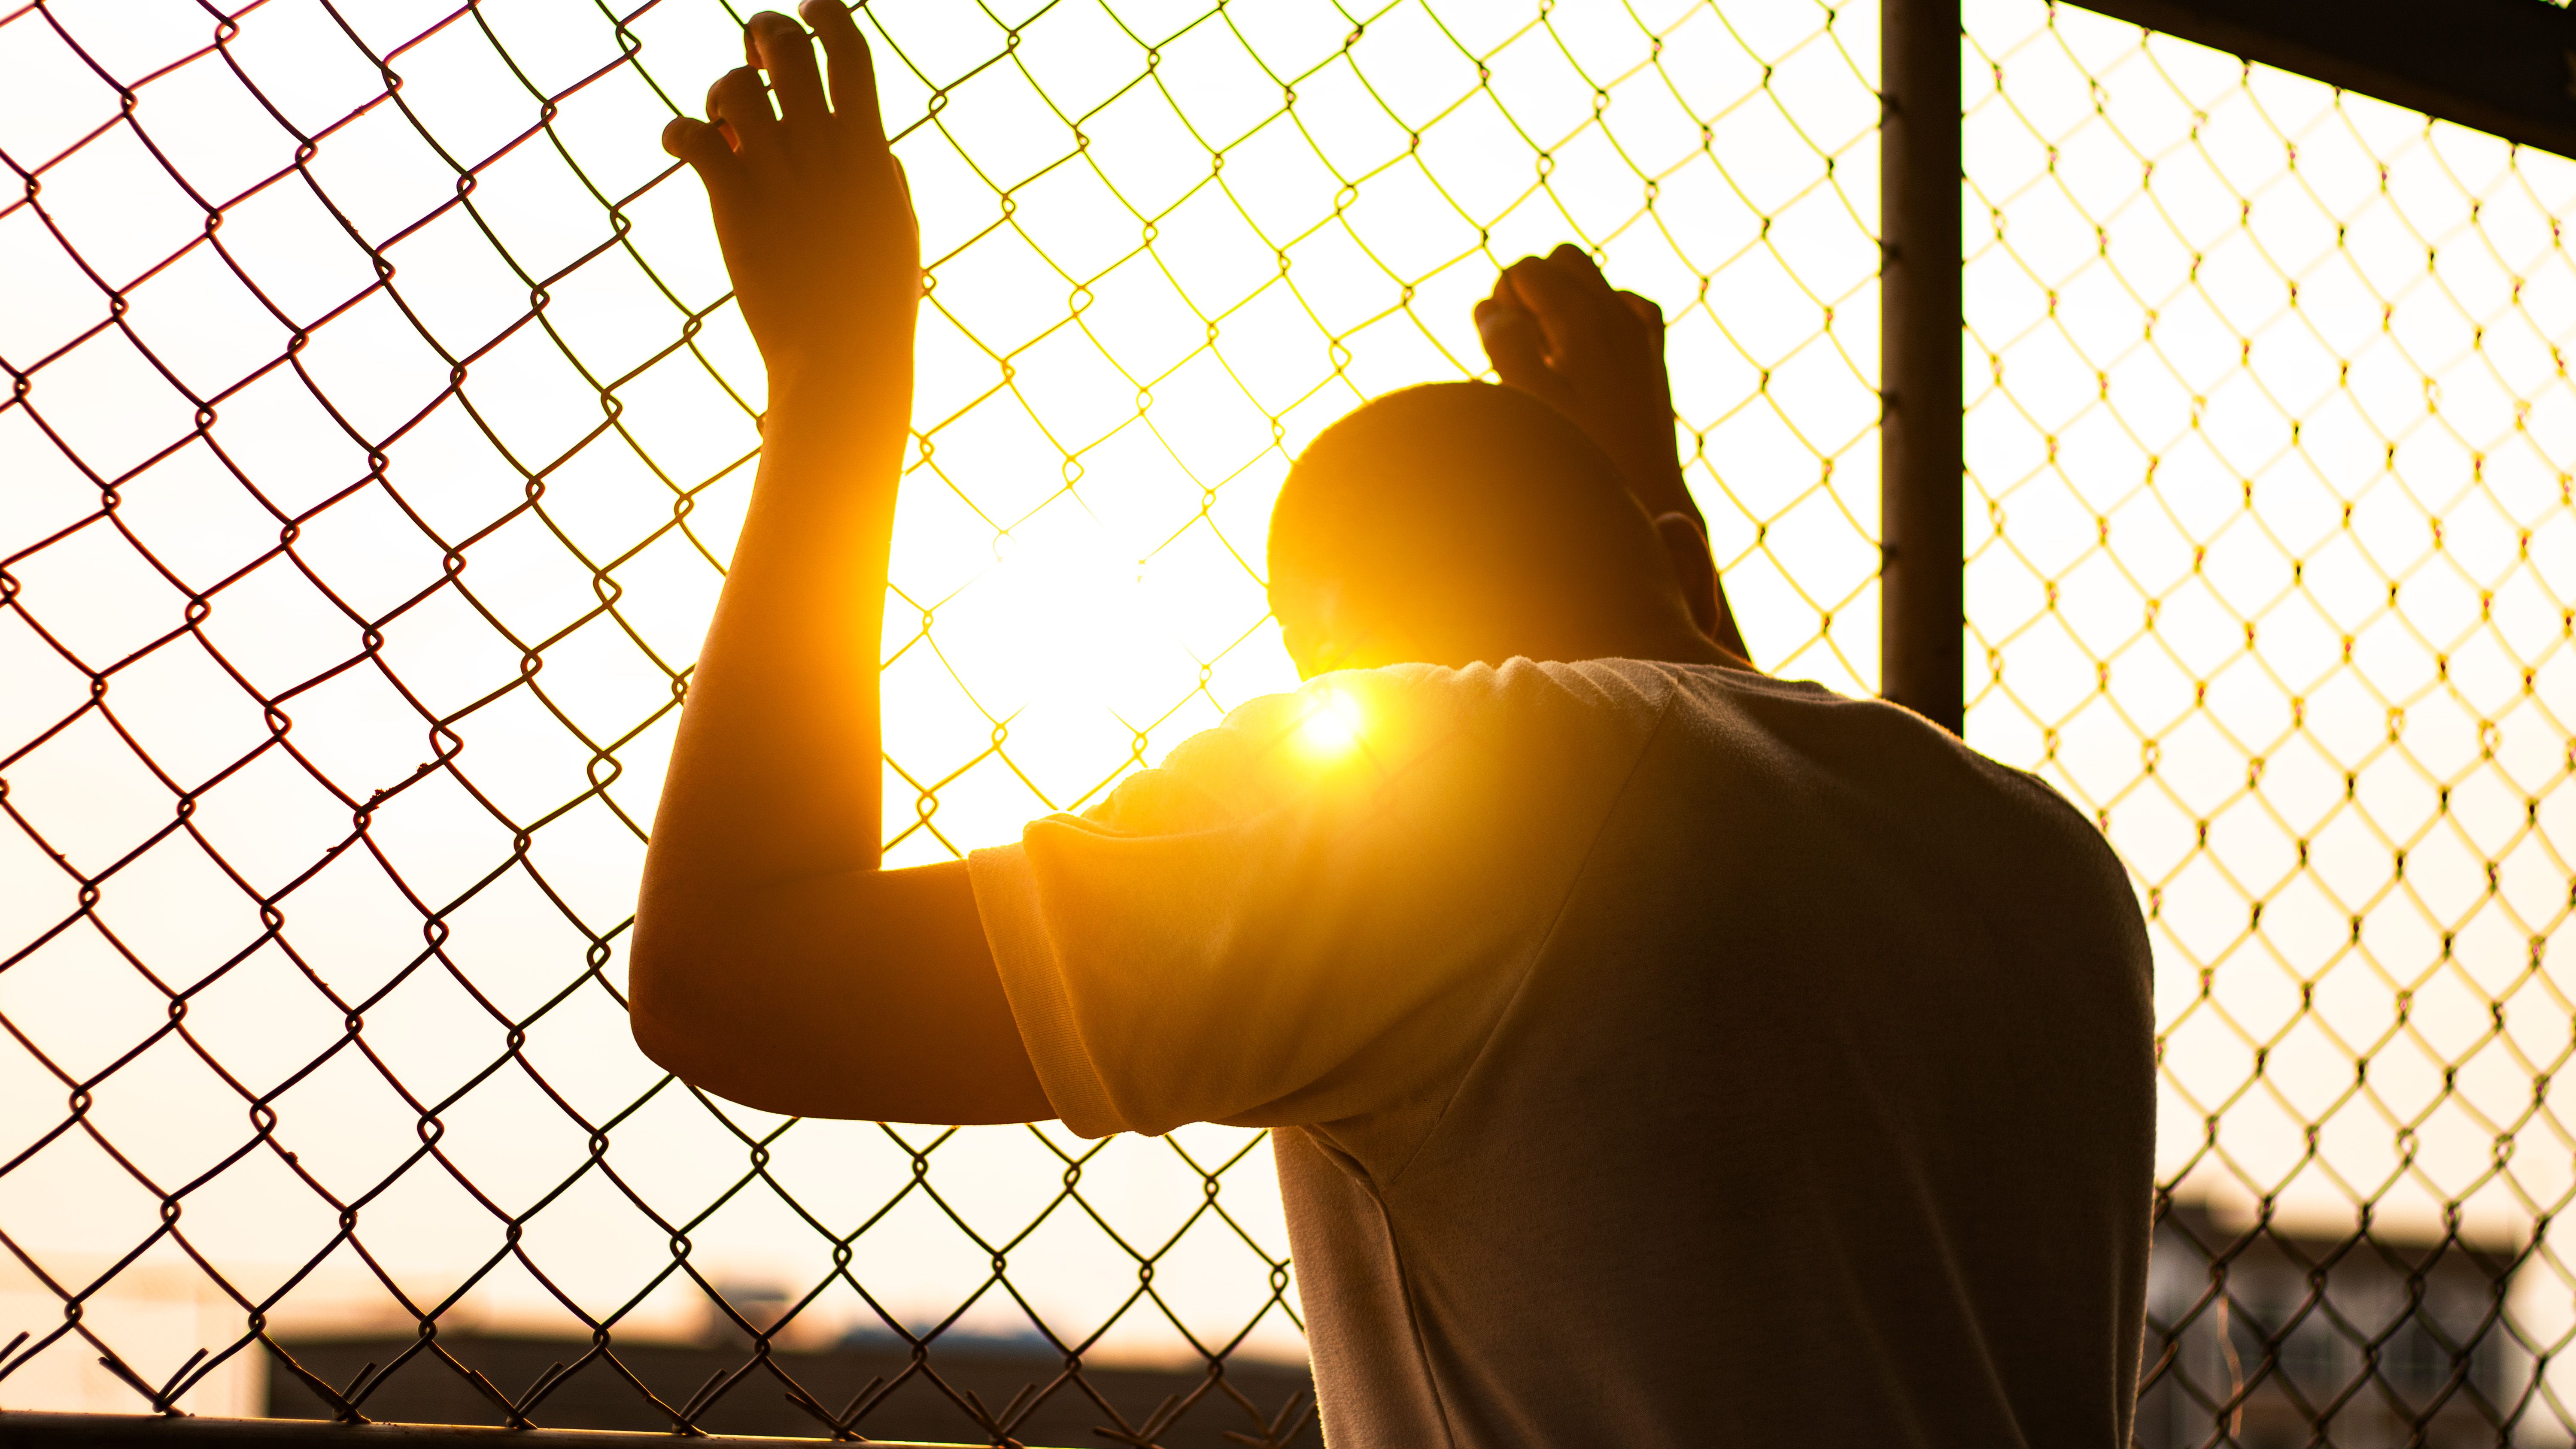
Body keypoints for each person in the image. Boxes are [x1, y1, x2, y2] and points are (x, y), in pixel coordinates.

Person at [629, 6, 2157, 1446]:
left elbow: (732, 981)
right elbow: (1722, 817)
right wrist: (1648, 502)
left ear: (1345, 652)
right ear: (1646, 552)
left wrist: (841, 385)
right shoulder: (2031, 855)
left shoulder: (1460, 781)